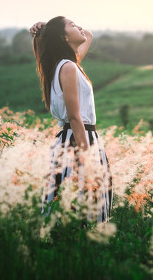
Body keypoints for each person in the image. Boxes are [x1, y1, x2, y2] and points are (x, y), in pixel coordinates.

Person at [30, 16, 113, 222]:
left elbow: (89, 35)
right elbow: (75, 117)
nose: (79, 27)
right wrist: (88, 159)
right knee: (78, 200)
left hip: (75, 137)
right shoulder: (67, 67)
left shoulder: (69, 64)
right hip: (79, 137)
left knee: (75, 201)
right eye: (72, 25)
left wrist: (44, 30)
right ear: (64, 37)